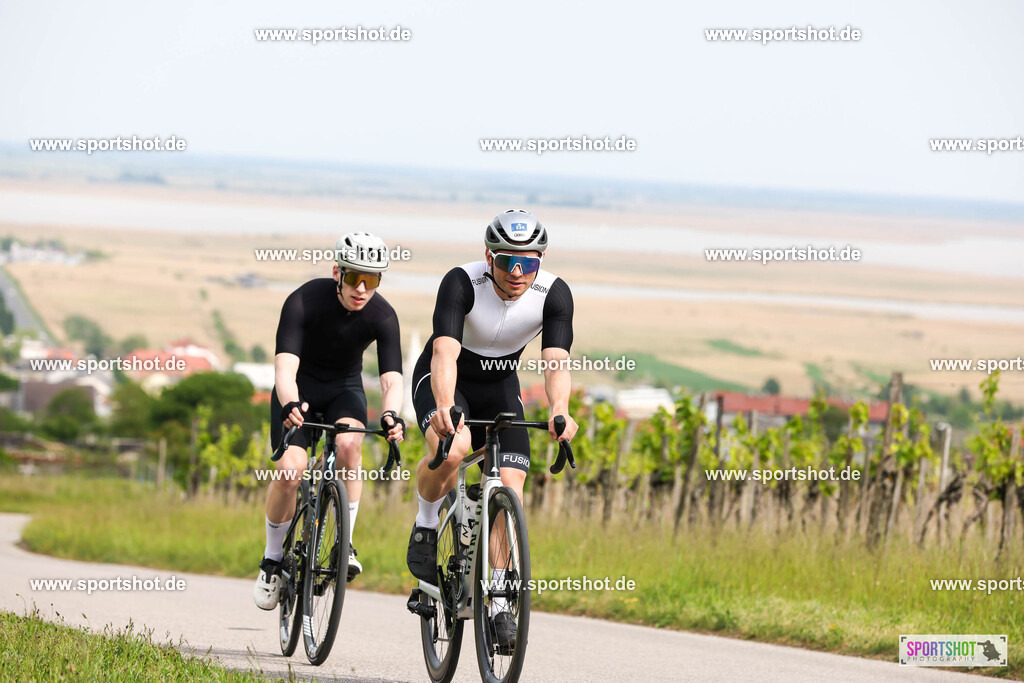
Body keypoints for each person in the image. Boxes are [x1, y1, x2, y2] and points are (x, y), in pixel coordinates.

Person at [406, 209, 577, 646]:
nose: (517, 272)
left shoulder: (553, 293)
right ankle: (426, 524)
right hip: (446, 379)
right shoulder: (461, 282)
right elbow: (444, 353)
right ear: (488, 256)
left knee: (511, 482)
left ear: (540, 259)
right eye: (506, 261)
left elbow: (555, 361)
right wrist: (445, 406)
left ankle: (499, 599)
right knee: (456, 445)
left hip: (500, 387)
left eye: (529, 262)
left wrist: (560, 409)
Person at [253, 232, 405, 610]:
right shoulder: (304, 300)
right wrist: (289, 404)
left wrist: (391, 413)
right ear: (337, 272)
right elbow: (284, 368)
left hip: (344, 390)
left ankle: (345, 542)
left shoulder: (382, 315)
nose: (362, 289)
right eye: (355, 277)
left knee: (351, 444)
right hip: (298, 391)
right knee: (291, 470)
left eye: (373, 280)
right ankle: (272, 560)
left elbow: (391, 378)